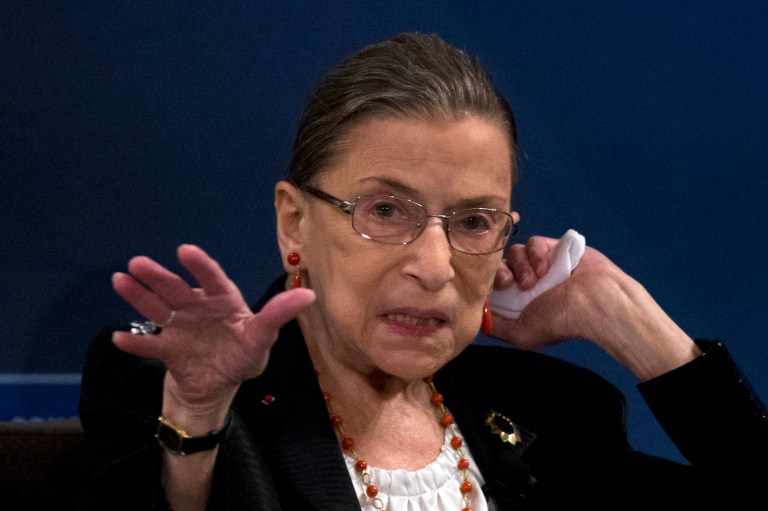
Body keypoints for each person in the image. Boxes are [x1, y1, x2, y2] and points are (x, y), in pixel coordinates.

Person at [70, 32, 767, 510]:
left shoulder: (553, 415)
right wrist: (195, 417)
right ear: (294, 222)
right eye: (385, 210)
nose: (433, 265)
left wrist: (633, 322)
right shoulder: (181, 394)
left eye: (473, 221)